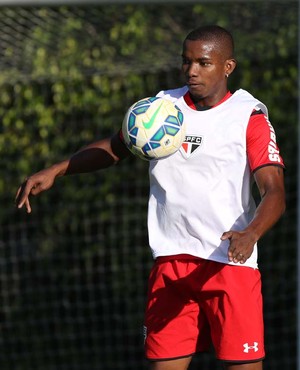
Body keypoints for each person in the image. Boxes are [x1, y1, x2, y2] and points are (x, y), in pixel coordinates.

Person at [16, 25, 285, 370]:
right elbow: (116, 147)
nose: (191, 71)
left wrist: (252, 233)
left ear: (227, 66)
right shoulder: (160, 107)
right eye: (186, 62)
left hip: (229, 264)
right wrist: (57, 169)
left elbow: (274, 191)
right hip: (170, 262)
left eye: (203, 63)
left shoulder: (248, 117)